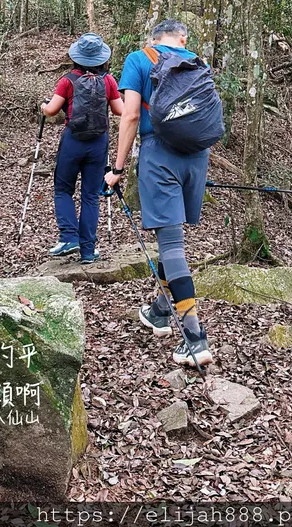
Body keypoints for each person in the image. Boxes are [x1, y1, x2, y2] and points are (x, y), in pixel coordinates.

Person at [105, 19, 214, 368]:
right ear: (182, 38)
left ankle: (195, 337)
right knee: (171, 238)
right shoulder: (197, 62)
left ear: (154, 38)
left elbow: (130, 116)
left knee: (172, 244)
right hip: (196, 158)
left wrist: (117, 168)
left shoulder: (140, 59)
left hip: (159, 155)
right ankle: (160, 311)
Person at [42, 33, 123, 263]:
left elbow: (52, 110)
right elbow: (119, 110)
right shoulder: (108, 80)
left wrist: (44, 106)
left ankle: (69, 237)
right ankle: (88, 251)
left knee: (63, 189)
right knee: (90, 196)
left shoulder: (68, 80)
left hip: (73, 141)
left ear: (76, 57)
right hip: (98, 143)